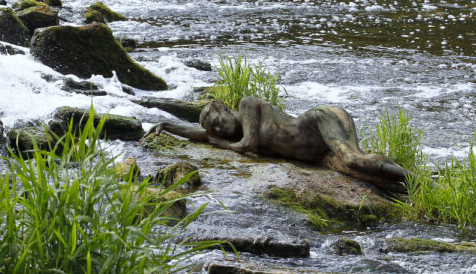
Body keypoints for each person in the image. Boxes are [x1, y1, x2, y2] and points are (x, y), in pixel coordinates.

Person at [142, 96, 409, 192]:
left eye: (217, 121)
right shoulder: (228, 134)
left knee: (352, 159)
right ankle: (409, 187)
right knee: (361, 175)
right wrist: (167, 126)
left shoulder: (247, 105)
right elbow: (201, 135)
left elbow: (247, 143)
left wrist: (219, 142)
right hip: (314, 156)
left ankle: (416, 179)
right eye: (214, 129)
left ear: (224, 108)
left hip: (317, 124)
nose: (219, 129)